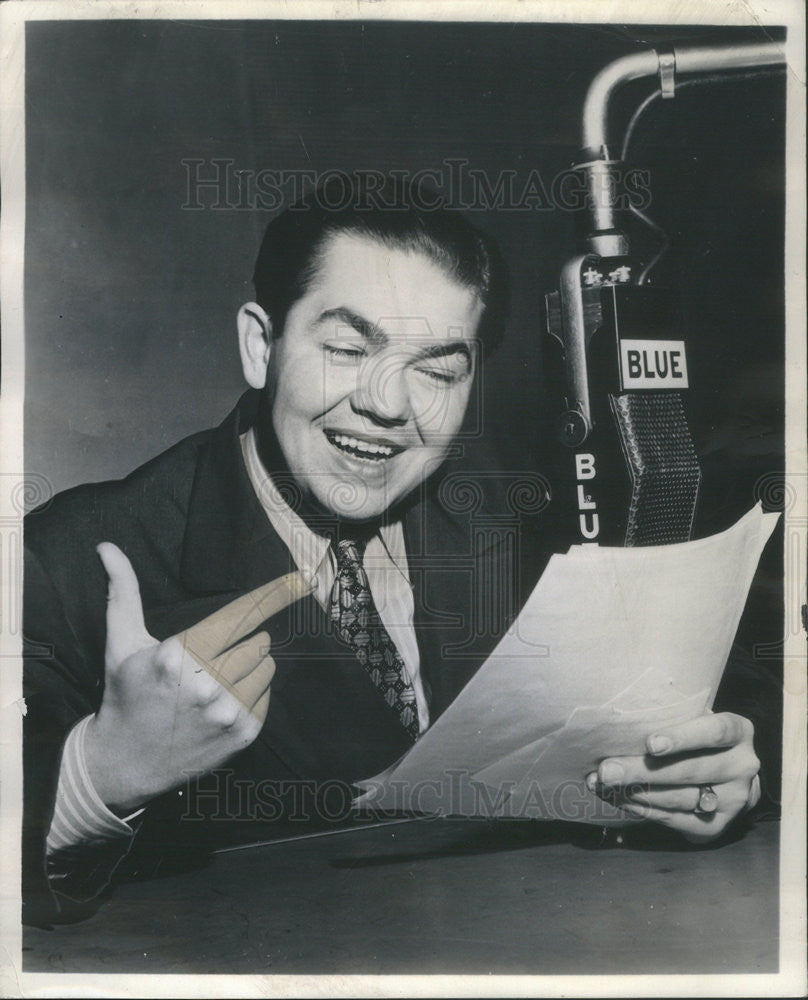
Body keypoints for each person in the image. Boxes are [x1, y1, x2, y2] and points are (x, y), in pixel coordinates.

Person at [23, 176, 764, 927]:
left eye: (438, 371)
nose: (387, 404)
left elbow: (652, 750)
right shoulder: (67, 561)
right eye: (348, 348)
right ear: (261, 344)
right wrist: (104, 772)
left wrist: (697, 785)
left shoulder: (526, 518)